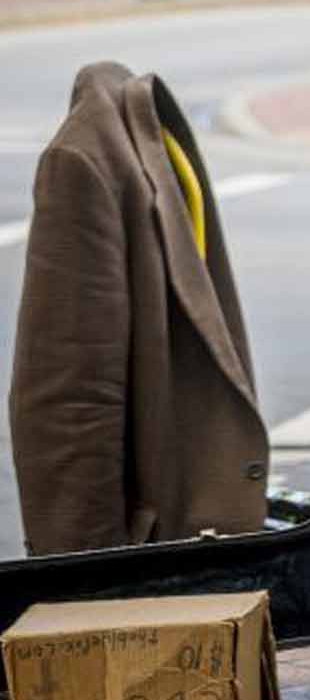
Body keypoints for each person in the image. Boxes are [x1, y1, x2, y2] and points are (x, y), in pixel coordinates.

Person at [10, 63, 268, 553]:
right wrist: (84, 575)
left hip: (182, 532)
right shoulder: (82, 163)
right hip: (148, 549)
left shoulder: (137, 143)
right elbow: (68, 396)